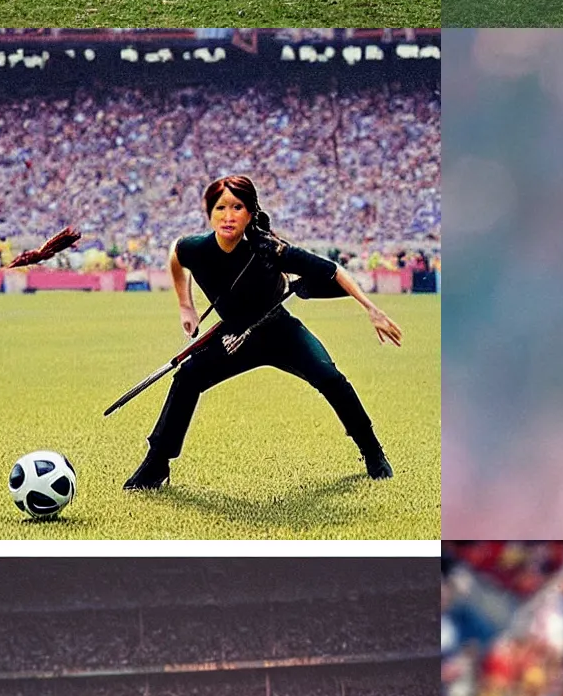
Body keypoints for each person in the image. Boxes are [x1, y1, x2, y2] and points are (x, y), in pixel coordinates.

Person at [122, 174, 401, 491]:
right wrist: (185, 305)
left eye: (237, 207)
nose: (228, 216)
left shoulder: (271, 249)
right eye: (220, 207)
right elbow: (176, 255)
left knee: (330, 378)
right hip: (235, 338)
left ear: (251, 213)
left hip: (279, 331)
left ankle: (371, 450)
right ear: (209, 212)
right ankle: (156, 463)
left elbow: (333, 271)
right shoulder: (195, 248)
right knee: (188, 377)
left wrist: (371, 309)